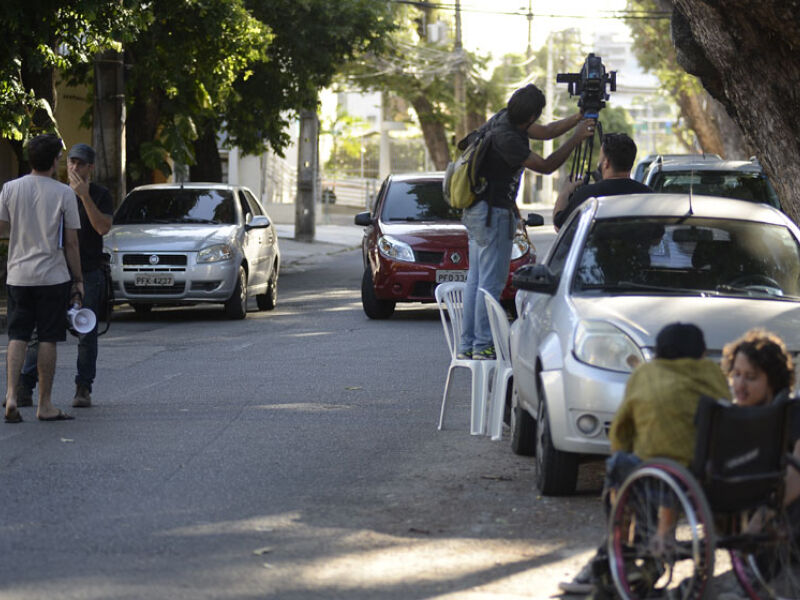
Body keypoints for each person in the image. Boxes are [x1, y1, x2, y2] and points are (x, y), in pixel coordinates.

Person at [559, 322, 731, 595]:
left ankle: (616, 551)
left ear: (660, 354)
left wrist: (628, 454)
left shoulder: (647, 374)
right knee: (654, 466)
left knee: (623, 466)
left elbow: (621, 432)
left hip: (663, 478)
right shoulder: (714, 375)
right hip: (712, 478)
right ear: (700, 354)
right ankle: (645, 562)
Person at [458, 84, 594, 360]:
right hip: (492, 213)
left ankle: (468, 344)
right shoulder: (508, 138)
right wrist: (575, 139)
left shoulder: (503, 118)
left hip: (477, 209)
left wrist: (576, 119)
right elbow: (545, 165)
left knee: (475, 280)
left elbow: (544, 133)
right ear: (531, 115)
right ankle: (483, 344)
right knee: (490, 283)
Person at [17, 143, 113, 409]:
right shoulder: (56, 191)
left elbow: (103, 227)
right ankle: (25, 386)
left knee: (86, 332)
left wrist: (83, 196)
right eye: (71, 162)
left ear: (90, 167)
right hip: (54, 270)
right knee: (41, 331)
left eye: (80, 163)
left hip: (89, 271)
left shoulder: (100, 194)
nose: (74, 167)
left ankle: (83, 388)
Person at [0, 133, 83, 423]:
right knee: (48, 337)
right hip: (52, 276)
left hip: (18, 276)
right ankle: (45, 405)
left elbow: (2, 227)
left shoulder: (10, 188)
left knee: (17, 335)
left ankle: (11, 395)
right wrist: (79, 280)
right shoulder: (64, 194)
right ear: (55, 161)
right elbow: (71, 243)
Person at [721, 328, 800, 509]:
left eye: (751, 377)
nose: (739, 385)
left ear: (772, 381)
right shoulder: (732, 418)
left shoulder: (794, 412)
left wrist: (760, 520)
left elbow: (797, 477)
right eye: (736, 375)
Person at [552, 132, 652, 232]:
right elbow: (657, 237)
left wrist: (565, 193)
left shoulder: (587, 196)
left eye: (600, 159)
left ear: (606, 163)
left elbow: (560, 227)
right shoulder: (648, 196)